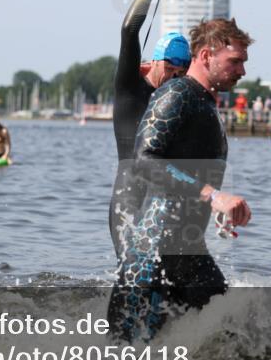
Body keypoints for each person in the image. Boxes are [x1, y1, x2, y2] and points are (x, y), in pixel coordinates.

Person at [108, 18, 254, 342]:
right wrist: (211, 195)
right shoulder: (176, 94)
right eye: (235, 61)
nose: (242, 70)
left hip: (189, 254)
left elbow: (191, 172)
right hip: (152, 258)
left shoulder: (203, 101)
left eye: (244, 61)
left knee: (236, 340)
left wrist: (215, 207)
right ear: (205, 56)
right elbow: (145, 161)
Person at [109, 0, 190, 257]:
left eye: (181, 73)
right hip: (129, 192)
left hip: (163, 195)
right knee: (133, 272)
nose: (174, 77)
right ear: (155, 60)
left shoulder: (176, 96)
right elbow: (129, 29)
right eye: (169, 68)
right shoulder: (129, 84)